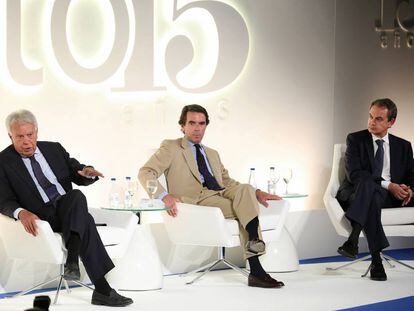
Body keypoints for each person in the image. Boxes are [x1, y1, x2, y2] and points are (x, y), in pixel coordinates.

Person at [139, 104, 284, 288]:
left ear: (206, 125)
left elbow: (227, 182)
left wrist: (257, 193)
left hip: (220, 192)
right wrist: (163, 195)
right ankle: (256, 270)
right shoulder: (171, 147)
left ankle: (254, 240)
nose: (197, 128)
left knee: (247, 188)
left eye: (202, 123)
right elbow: (145, 172)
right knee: (244, 209)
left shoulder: (212, 153)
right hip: (197, 199)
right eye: (192, 123)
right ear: (182, 126)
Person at [0, 110, 133, 307]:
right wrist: (21, 213)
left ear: (37, 132)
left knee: (76, 197)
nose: (27, 141)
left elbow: (77, 172)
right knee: (84, 216)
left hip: (68, 209)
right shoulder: (3, 161)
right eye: (20, 136)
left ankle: (77, 267)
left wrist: (87, 173)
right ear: (10, 135)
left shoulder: (54, 149)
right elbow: (4, 200)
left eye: (30, 135)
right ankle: (99, 286)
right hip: (42, 216)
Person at [336, 98, 414, 281]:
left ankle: (352, 241)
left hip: (389, 197)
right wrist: (388, 185)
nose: (372, 122)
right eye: (370, 116)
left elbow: (412, 175)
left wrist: (410, 190)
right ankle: (376, 260)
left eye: (379, 119)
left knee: (374, 194)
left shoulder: (403, 146)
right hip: (360, 192)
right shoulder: (355, 139)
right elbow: (354, 174)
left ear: (391, 122)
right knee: (369, 186)